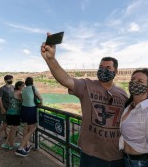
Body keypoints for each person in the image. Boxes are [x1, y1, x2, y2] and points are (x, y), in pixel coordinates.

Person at [41, 38, 128, 166]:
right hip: (91, 155)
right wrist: (51, 59)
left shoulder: (122, 93)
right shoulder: (87, 86)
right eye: (100, 67)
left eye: (108, 67)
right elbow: (65, 80)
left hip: (117, 155)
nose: (103, 69)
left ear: (116, 71)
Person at [15, 77, 43, 157]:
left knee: (26, 128)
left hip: (24, 109)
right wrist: (40, 103)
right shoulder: (33, 88)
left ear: (26, 83)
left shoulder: (23, 89)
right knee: (32, 129)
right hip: (31, 109)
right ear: (32, 82)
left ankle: (26, 146)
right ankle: (20, 149)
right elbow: (41, 98)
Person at [1, 81, 25, 150]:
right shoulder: (19, 93)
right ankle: (11, 144)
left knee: (12, 129)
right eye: (23, 85)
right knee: (14, 130)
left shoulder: (12, 92)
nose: (24, 87)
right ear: (18, 86)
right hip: (15, 114)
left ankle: (7, 143)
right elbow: (23, 101)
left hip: (9, 112)